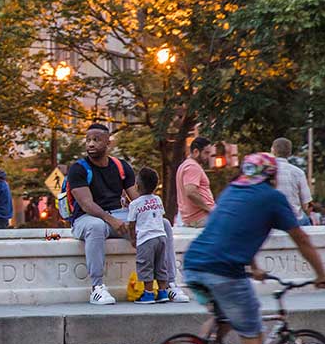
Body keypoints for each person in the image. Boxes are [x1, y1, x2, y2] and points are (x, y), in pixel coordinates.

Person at [178, 153, 325, 344]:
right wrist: (322, 274)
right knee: (253, 331)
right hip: (224, 271)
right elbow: (301, 239)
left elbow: (233, 231)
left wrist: (254, 267)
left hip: (194, 264)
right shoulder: (272, 198)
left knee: (223, 316)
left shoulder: (232, 191)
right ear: (272, 177)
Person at [68, 123, 176, 306]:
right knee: (96, 226)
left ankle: (169, 285)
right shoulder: (78, 169)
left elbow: (138, 199)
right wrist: (112, 220)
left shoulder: (120, 166)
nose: (90, 144)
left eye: (96, 140)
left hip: (120, 215)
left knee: (163, 224)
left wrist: (142, 222)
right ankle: (97, 288)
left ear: (108, 142)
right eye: (88, 140)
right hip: (87, 219)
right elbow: (86, 204)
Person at [130, 168, 170, 303]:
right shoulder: (158, 199)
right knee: (161, 265)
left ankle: (148, 294)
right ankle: (163, 292)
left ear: (137, 186)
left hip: (146, 239)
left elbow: (132, 223)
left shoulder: (135, 204)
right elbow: (159, 215)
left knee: (146, 266)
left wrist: (133, 238)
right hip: (161, 236)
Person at [270, 138, 314, 225]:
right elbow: (306, 204)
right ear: (289, 153)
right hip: (293, 218)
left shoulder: (264, 171)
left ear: (273, 150)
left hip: (270, 219)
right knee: (306, 220)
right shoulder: (298, 172)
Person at [174, 137, 216, 227]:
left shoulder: (185, 165)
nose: (208, 156)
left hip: (195, 217)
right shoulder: (192, 167)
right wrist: (209, 209)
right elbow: (190, 192)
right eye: (206, 153)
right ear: (196, 151)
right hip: (200, 217)